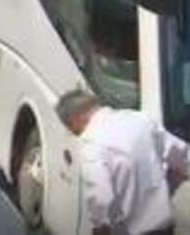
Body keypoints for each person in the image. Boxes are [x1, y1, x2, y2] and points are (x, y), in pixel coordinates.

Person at [57, 89, 190, 235]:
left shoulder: (91, 144)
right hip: (165, 225)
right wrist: (169, 186)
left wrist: (100, 226)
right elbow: (182, 156)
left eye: (70, 127)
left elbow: (100, 196)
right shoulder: (140, 119)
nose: (74, 133)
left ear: (75, 119)